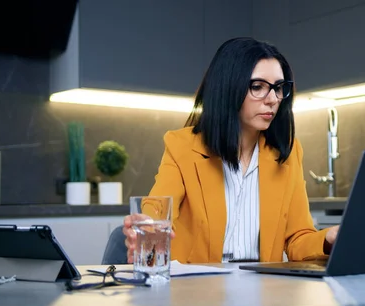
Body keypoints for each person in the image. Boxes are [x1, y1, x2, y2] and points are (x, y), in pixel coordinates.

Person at [122, 37, 339, 264]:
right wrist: (146, 225)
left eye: (278, 88)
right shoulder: (182, 146)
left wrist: (329, 238)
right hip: (198, 290)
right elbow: (158, 207)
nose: (273, 99)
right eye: (257, 87)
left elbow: (298, 239)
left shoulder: (288, 153)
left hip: (265, 289)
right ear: (228, 88)